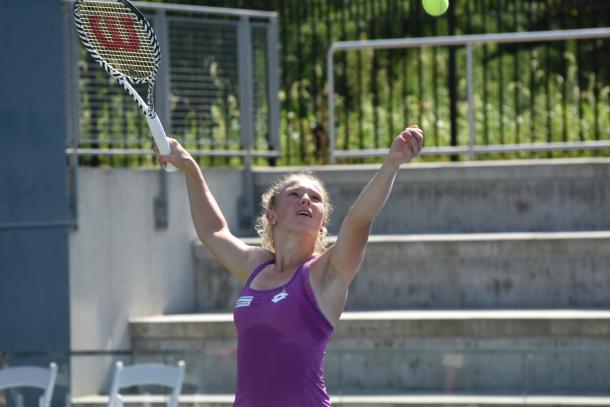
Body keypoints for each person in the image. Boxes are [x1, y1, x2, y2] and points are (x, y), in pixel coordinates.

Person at [155, 125, 424, 406]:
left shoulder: (325, 274)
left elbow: (358, 219)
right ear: (272, 215)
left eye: (315, 198)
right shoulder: (256, 265)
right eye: (294, 194)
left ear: (323, 224)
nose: (305, 199)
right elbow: (213, 231)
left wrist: (392, 163)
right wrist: (189, 167)